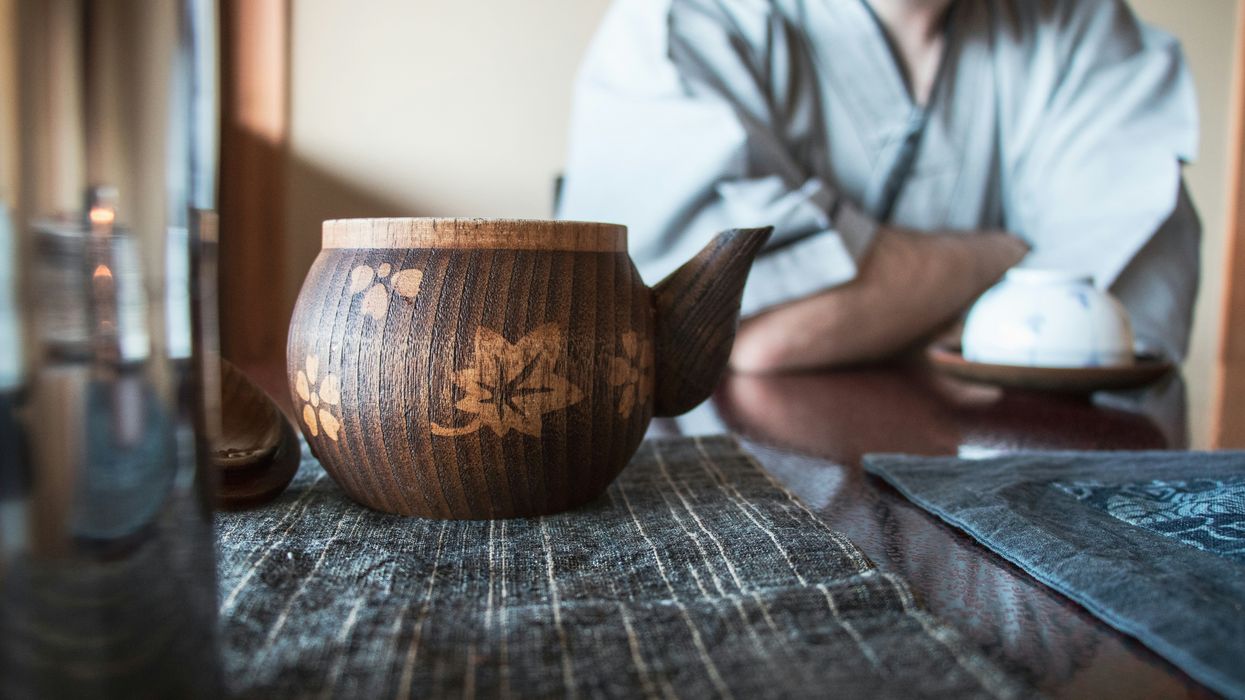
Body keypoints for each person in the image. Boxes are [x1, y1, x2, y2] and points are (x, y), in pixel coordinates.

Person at [557, 0, 1200, 373]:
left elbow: (1106, 335)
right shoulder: (684, 20)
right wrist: (1006, 255)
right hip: (723, 509)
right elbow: (746, 335)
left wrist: (854, 302)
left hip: (1014, 498)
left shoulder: (1088, 33)